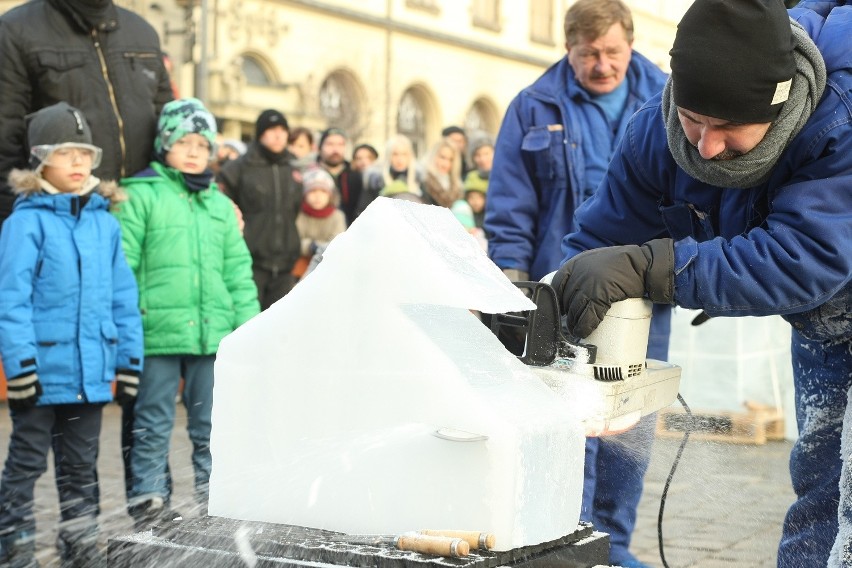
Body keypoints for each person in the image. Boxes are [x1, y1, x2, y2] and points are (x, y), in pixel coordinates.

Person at [547, 1, 852, 566]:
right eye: (693, 120)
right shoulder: (655, 134)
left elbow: (804, 257)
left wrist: (652, 267)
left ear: (780, 105)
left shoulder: (839, 121)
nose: (704, 147)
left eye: (728, 128)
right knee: (822, 488)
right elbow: (600, 242)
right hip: (825, 323)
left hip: (836, 291)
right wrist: (557, 321)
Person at [483, 1, 668, 565]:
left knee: (628, 428)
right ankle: (571, 545)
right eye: (589, 54)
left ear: (630, 45)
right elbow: (511, 207)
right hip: (558, 297)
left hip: (641, 299)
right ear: (569, 49)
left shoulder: (670, 102)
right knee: (571, 428)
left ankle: (613, 547)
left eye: (612, 52)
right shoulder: (533, 107)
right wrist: (513, 286)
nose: (602, 64)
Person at [0, 102, 143, 567]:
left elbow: (123, 295)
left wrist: (129, 360)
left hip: (90, 373)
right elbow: (12, 299)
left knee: (82, 469)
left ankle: (81, 549)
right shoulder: (26, 222)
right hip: (40, 374)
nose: (79, 163)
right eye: (67, 153)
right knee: (26, 464)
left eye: (86, 153)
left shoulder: (104, 222)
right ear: (42, 159)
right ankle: (15, 549)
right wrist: (20, 367)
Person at [113, 98, 259, 529]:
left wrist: (248, 330)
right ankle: (150, 499)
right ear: (165, 144)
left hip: (211, 333)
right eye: (184, 142)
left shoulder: (218, 205)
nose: (194, 151)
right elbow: (123, 265)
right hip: (155, 331)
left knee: (210, 424)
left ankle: (215, 499)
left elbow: (238, 273)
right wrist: (127, 325)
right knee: (153, 421)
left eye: (202, 143)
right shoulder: (140, 196)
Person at [0, 0, 174, 228]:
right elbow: (5, 137)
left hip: (146, 220)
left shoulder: (143, 32)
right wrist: (13, 225)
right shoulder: (16, 29)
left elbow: (171, 134)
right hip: (62, 221)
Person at [219, 109, 302, 310]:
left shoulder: (293, 167)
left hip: (285, 266)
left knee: (280, 330)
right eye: (272, 129)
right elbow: (222, 207)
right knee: (248, 325)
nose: (278, 135)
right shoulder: (238, 168)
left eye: (283, 130)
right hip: (250, 264)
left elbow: (296, 210)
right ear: (260, 133)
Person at [293, 166, 347, 280]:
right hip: (299, 265)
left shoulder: (337, 216)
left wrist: (318, 246)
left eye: (323, 191)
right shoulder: (298, 215)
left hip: (327, 265)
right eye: (312, 191)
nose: (318, 196)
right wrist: (309, 246)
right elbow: (293, 240)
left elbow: (337, 243)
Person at [357, 134, 421, 215]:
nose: (399, 159)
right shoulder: (375, 180)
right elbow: (363, 211)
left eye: (404, 154)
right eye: (395, 154)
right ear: (388, 155)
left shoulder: (419, 179)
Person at [316, 128, 364, 226]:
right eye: (330, 144)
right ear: (320, 147)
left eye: (340, 144)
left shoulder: (355, 177)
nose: (335, 149)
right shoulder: (311, 175)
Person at [419, 138, 463, 208]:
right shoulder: (423, 182)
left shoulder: (457, 187)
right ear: (433, 156)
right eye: (442, 157)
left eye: (451, 160)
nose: (446, 164)